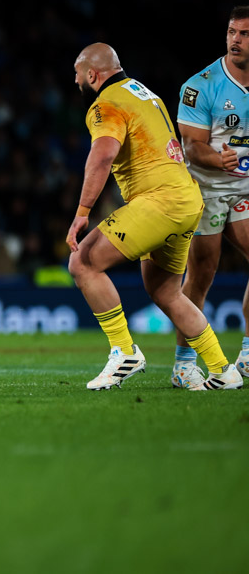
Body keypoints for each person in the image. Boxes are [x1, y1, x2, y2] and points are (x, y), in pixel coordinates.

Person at [66, 43, 242, 391]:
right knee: (165, 291)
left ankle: (124, 351)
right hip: (186, 200)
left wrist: (82, 212)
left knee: (82, 263)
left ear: (92, 75)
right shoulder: (145, 93)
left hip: (159, 201)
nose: (75, 81)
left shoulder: (106, 104)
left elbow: (102, 157)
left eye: (77, 74)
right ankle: (224, 369)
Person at [171, 6, 249, 387]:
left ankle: (248, 353)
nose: (236, 39)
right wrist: (220, 158)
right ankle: (184, 363)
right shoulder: (200, 85)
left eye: (245, 34)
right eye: (232, 32)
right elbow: (191, 147)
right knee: (202, 274)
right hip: (206, 189)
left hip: (245, 189)